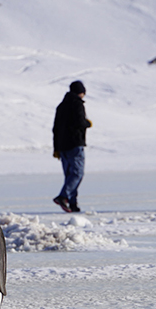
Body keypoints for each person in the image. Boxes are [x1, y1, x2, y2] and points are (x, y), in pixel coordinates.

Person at [52, 81, 92, 213]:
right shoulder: (77, 104)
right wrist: (87, 123)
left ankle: (73, 203)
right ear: (81, 92)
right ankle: (64, 197)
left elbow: (55, 129)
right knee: (77, 173)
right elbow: (79, 122)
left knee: (70, 175)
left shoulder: (61, 106)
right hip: (75, 144)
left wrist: (56, 148)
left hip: (62, 147)